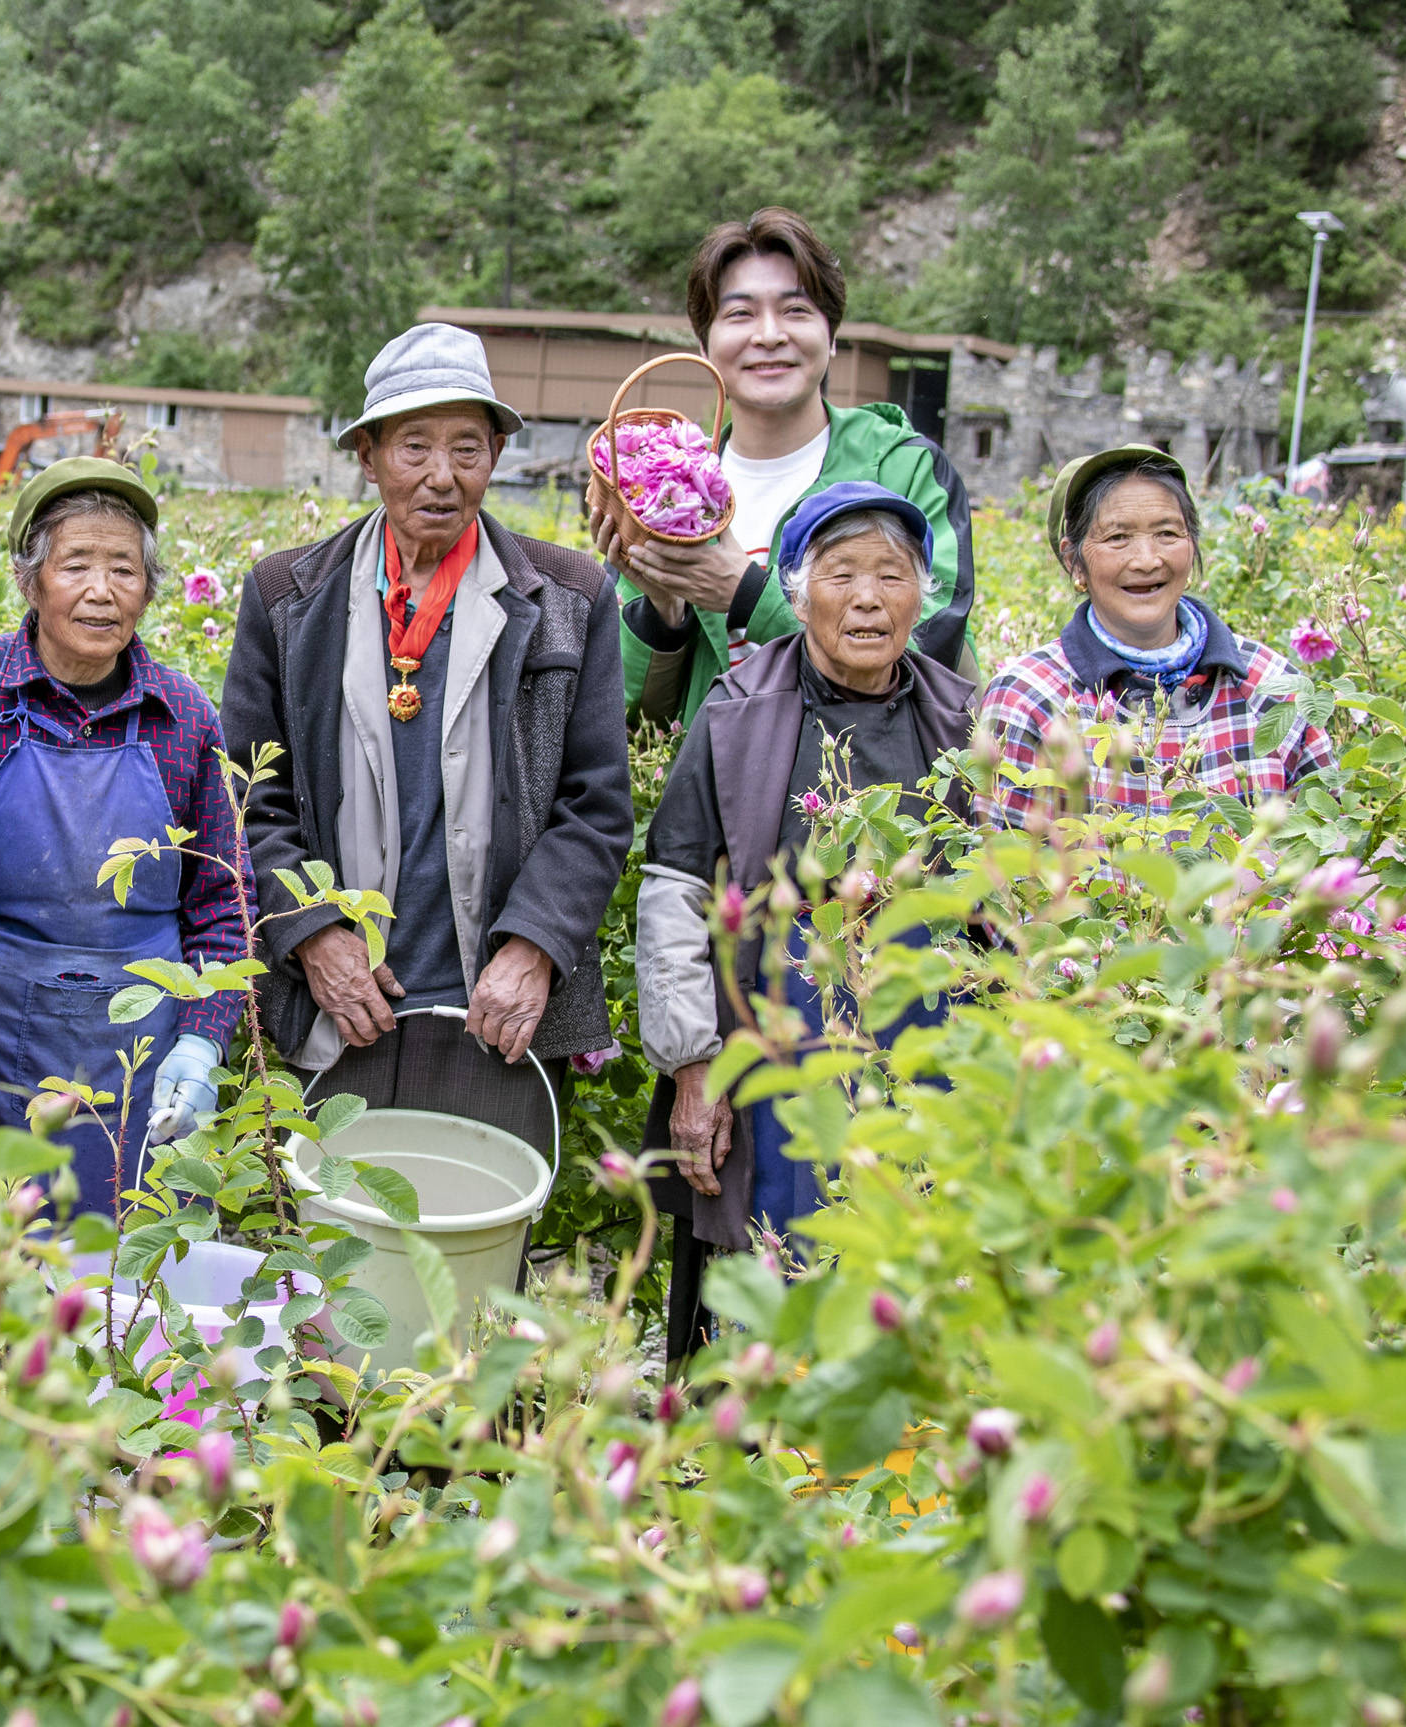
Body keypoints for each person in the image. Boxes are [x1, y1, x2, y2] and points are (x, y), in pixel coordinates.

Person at [220, 323, 632, 1165]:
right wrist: (315, 935)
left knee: (476, 1280)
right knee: (336, 1277)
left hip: (495, 1018)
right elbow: (246, 798)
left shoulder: (569, 596)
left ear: (497, 454)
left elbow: (595, 806)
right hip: (339, 1013)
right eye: (413, 446)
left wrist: (534, 947)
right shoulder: (286, 597)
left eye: (467, 448)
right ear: (367, 456)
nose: (441, 476)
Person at [632, 482, 975, 1365]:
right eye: (842, 573)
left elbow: (999, 911)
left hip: (918, 1049)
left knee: (906, 1268)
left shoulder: (964, 719)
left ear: (922, 594)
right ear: (795, 589)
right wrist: (693, 1064)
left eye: (893, 575)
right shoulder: (737, 708)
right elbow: (676, 889)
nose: (868, 597)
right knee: (766, 1277)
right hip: (770, 1048)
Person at [0, 458, 255, 1211]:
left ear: (148, 589)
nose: (101, 590)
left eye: (124, 568)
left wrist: (202, 1043)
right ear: (30, 579)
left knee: (128, 1284)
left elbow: (221, 904)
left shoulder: (184, 715)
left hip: (146, 1057)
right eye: (75, 563)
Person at [592, 208, 973, 737]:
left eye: (795, 310)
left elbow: (934, 652)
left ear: (832, 336)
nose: (769, 336)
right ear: (705, 346)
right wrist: (662, 614)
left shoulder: (904, 468)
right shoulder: (667, 492)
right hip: (712, 805)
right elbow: (637, 721)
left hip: (860, 803)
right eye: (740, 314)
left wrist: (747, 595)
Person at [975, 444, 1333, 831]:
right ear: (1073, 561)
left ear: (1192, 544)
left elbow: (1326, 848)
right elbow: (1005, 878)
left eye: (1167, 533)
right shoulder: (1029, 699)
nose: (1147, 560)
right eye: (1117, 538)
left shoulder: (1271, 685)